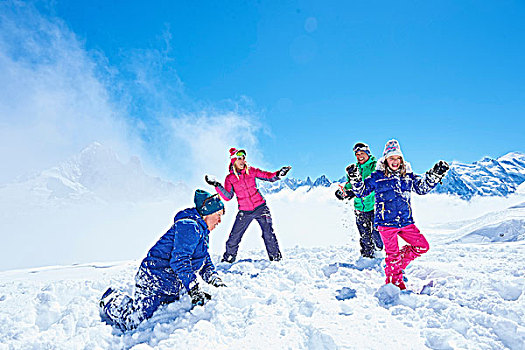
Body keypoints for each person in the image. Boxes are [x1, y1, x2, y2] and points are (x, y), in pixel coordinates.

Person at [99, 189, 226, 331]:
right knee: (136, 323)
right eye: (218, 215)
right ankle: (111, 300)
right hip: (154, 279)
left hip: (170, 282)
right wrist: (194, 289)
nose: (220, 221)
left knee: (168, 312)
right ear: (207, 213)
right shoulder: (189, 227)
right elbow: (180, 261)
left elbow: (203, 259)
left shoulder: (201, 231)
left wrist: (214, 278)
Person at [346, 139, 449, 290]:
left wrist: (434, 175)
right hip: (386, 223)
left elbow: (421, 188)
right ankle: (395, 286)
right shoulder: (377, 176)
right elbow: (361, 191)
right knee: (392, 256)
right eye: (391, 158)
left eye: (397, 158)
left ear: (401, 159)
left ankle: (395, 265)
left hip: (406, 222)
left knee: (422, 246)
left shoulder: (407, 175)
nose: (395, 161)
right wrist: (355, 179)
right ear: (385, 159)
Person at [205, 148, 291, 263]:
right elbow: (227, 196)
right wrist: (216, 185)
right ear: (234, 160)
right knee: (234, 237)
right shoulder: (230, 178)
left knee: (268, 233)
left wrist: (278, 174)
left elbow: (268, 176)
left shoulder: (251, 171)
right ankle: (228, 259)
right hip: (244, 211)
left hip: (261, 207)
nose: (243, 161)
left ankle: (276, 259)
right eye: (239, 158)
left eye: (244, 158)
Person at [335, 142, 384, 258]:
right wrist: (343, 193)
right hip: (360, 208)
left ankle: (380, 255)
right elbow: (349, 185)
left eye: (362, 153)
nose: (359, 156)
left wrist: (356, 191)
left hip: (375, 205)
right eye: (357, 154)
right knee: (365, 236)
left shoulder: (375, 166)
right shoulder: (354, 169)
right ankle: (367, 258)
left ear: (368, 153)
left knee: (377, 234)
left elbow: (374, 183)